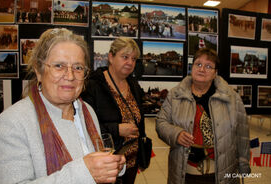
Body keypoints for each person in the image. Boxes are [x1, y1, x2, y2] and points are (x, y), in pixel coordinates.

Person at [0, 28, 125, 184]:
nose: (70, 76)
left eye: (78, 67)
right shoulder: (12, 123)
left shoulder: (87, 111)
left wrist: (110, 165)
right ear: (38, 70)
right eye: (59, 66)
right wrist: (84, 173)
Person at [156, 48, 250, 184]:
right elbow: (161, 123)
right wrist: (176, 134)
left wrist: (243, 164)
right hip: (185, 174)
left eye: (208, 66)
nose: (202, 69)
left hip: (222, 174)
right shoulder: (175, 95)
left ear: (215, 73)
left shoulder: (232, 98)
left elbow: (242, 133)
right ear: (192, 67)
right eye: (198, 64)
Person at [81, 37, 145, 184]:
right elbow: (85, 125)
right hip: (107, 162)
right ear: (111, 57)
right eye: (125, 57)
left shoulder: (133, 84)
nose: (130, 62)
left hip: (131, 161)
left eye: (134, 59)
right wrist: (116, 129)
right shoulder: (93, 85)